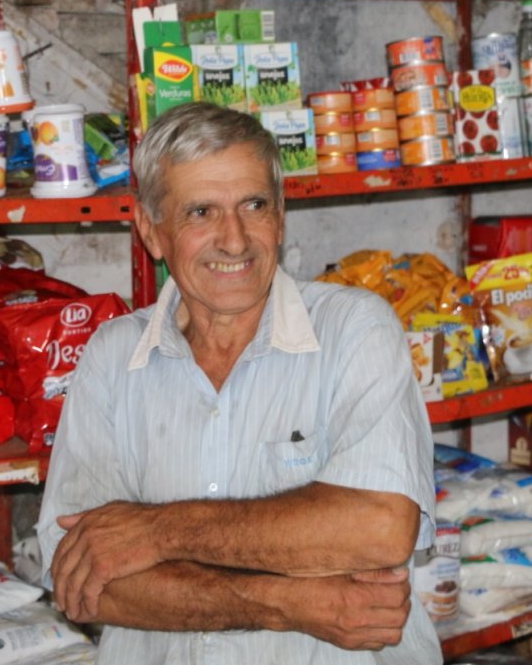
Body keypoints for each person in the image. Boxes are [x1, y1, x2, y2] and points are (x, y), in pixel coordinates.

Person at [38, 101, 440, 664]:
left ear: (280, 215)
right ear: (152, 232)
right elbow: (80, 578)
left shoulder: (353, 327)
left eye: (254, 205)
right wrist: (289, 602)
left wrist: (155, 535)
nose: (234, 240)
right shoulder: (112, 357)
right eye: (200, 212)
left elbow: (380, 529)